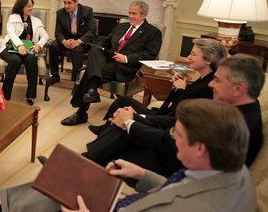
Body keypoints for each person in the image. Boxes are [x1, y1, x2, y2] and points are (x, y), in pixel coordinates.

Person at [0, 99, 257, 212]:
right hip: (135, 195)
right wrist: (141, 176)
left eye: (178, 135)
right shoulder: (232, 171)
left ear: (201, 148)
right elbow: (175, 190)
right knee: (63, 181)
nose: (172, 138)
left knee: (62, 191)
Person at [84, 53, 264, 180]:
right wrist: (137, 118)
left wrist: (131, 123)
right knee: (123, 122)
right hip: (172, 150)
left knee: (119, 139)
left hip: (175, 165)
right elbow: (177, 120)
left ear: (239, 88)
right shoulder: (232, 107)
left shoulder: (237, 123)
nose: (211, 85)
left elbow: (170, 143)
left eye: (217, 80)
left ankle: (85, 161)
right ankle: (86, 159)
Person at [88, 38, 227, 136]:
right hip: (164, 114)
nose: (189, 57)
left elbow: (181, 111)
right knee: (122, 101)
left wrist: (179, 90)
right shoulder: (204, 78)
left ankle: (109, 132)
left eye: (193, 54)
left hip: (165, 122)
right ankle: (106, 128)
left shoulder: (209, 86)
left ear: (208, 60)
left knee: (123, 106)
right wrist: (178, 88)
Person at [61, 1, 162, 126]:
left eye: (134, 13)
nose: (130, 16)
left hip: (125, 66)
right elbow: (106, 41)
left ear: (144, 15)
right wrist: (97, 47)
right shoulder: (121, 26)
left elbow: (150, 54)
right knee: (94, 51)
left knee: (90, 72)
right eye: (130, 13)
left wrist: (126, 58)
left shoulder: (153, 32)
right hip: (109, 58)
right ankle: (91, 92)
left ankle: (82, 112)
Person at [0, 0, 49, 105]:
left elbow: (45, 36)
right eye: (28, 6)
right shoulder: (13, 18)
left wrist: (38, 44)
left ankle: (31, 95)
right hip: (10, 48)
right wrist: (20, 45)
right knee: (15, 60)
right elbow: (11, 34)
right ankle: (5, 95)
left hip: (28, 50)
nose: (31, 8)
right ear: (21, 7)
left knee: (31, 60)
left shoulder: (36, 21)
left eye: (32, 6)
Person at [49, 0, 97, 82]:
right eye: (65, 3)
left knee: (76, 49)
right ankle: (55, 75)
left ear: (76, 2)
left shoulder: (87, 11)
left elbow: (92, 31)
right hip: (67, 41)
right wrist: (64, 41)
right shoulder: (60, 13)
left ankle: (76, 80)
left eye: (69, 3)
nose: (66, 6)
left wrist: (78, 41)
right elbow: (58, 33)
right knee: (53, 45)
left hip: (82, 42)